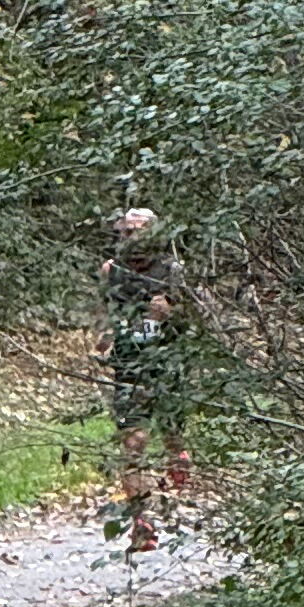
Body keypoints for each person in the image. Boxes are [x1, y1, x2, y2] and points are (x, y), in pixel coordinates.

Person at [103, 202, 195, 554]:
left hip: (167, 364)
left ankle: (179, 456)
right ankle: (141, 522)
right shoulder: (111, 270)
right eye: (125, 232)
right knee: (133, 443)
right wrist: (104, 337)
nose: (130, 238)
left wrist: (171, 311)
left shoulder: (173, 270)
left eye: (138, 231)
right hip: (129, 367)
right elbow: (104, 310)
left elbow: (197, 315)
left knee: (171, 432)